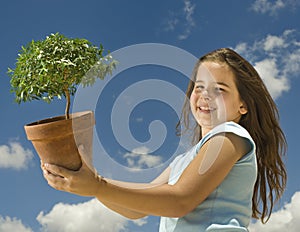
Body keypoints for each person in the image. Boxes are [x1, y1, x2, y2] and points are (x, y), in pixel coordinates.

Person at [42, 48, 287, 231]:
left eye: (219, 89)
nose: (204, 96)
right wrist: (89, 180)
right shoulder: (185, 160)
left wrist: (96, 185)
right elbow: (136, 209)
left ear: (243, 104)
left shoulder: (229, 136)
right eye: (199, 87)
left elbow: (179, 200)